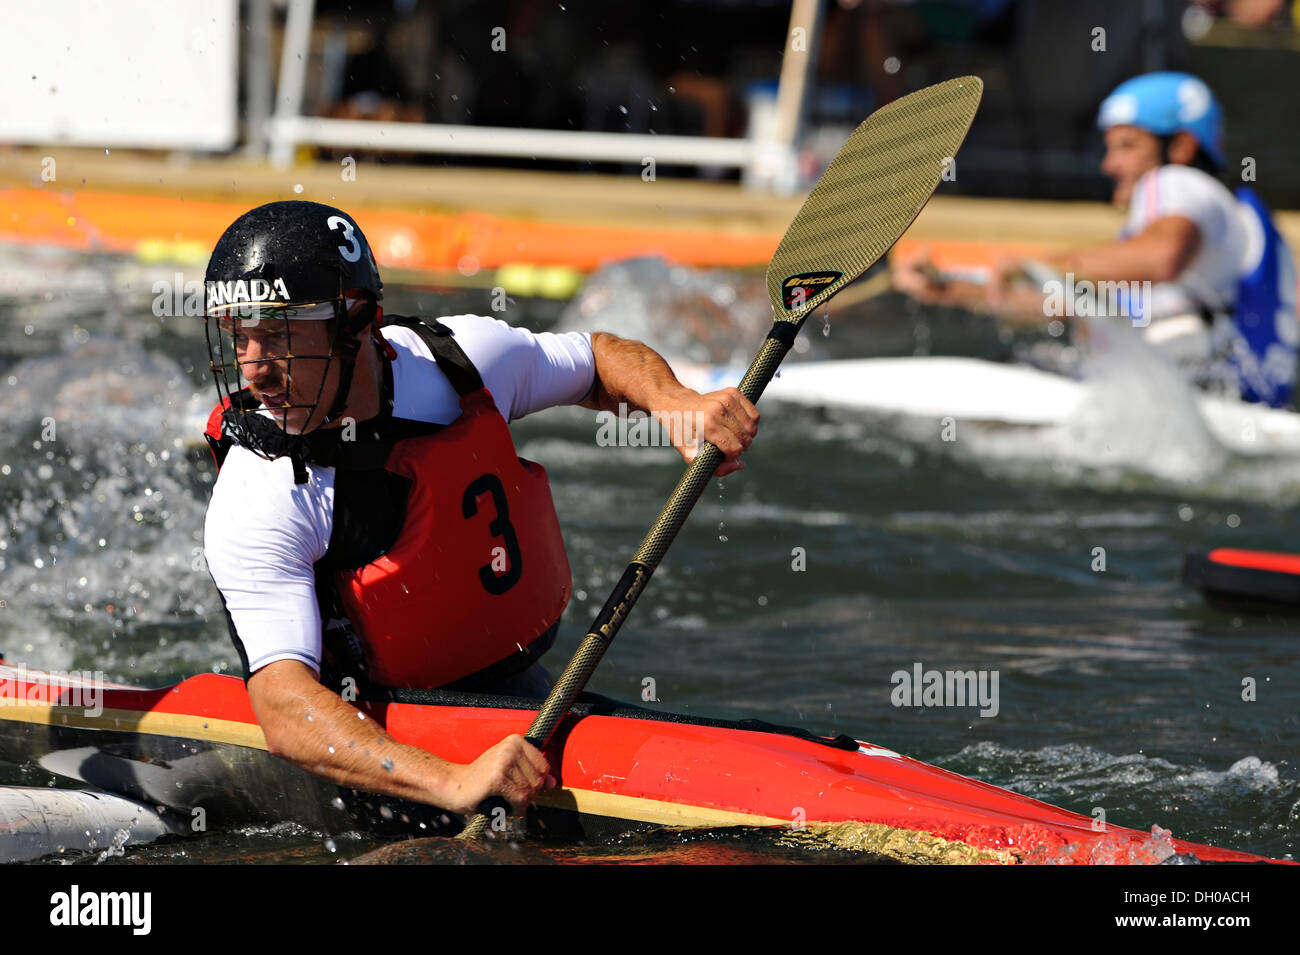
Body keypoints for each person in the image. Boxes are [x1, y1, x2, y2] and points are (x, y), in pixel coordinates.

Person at [198, 200, 759, 825]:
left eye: (276, 334)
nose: (254, 369)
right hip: (371, 747)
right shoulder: (260, 494)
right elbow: (284, 706)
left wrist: (678, 404)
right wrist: (453, 782)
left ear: (355, 318)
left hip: (513, 695)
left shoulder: (456, 360)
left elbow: (598, 360)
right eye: (237, 334)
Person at [894, 71, 1298, 407]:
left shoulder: (1178, 182)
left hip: (1193, 394)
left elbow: (1161, 259)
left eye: (1127, 146)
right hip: (1216, 400)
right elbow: (1063, 304)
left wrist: (1037, 265)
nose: (1109, 165)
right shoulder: (1217, 224)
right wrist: (950, 289)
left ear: (1181, 147)